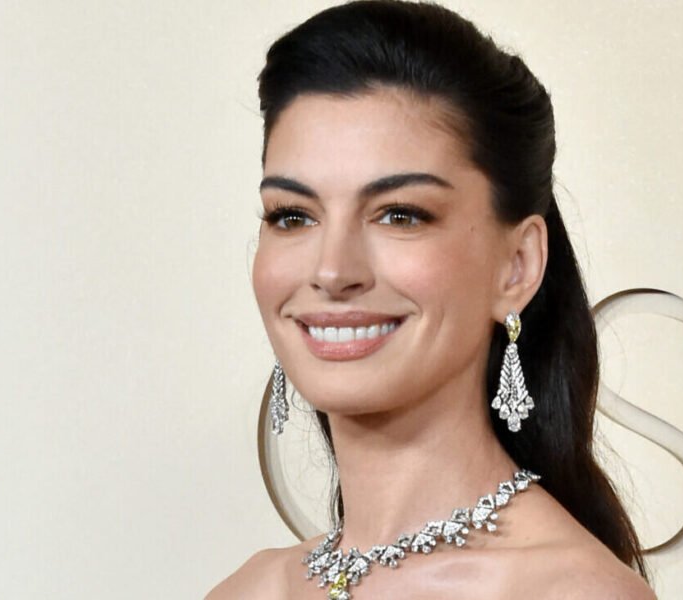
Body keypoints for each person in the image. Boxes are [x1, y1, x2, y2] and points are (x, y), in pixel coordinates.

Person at [208, 1, 656, 598]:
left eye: (400, 215)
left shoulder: (571, 592)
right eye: (293, 216)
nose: (332, 271)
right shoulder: (251, 590)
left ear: (517, 266)